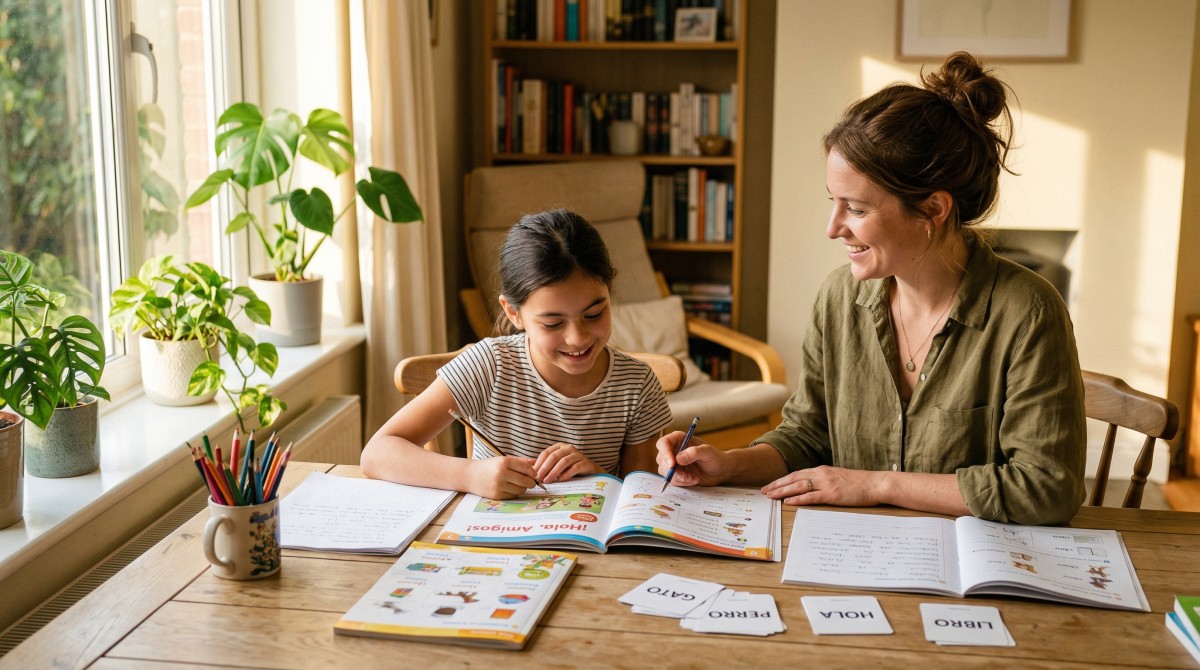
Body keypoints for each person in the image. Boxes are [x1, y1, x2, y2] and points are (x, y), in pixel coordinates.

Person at [656, 52, 1086, 526]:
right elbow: (807, 434)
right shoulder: (839, 298)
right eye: (833, 203)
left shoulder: (1027, 312)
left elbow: (1047, 487)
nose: (833, 227)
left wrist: (875, 484)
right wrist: (729, 463)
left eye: (856, 209)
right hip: (851, 552)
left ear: (933, 209)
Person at [362, 209, 672, 499]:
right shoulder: (489, 366)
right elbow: (377, 453)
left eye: (594, 314)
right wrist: (469, 474)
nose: (577, 338)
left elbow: (640, 500)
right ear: (514, 314)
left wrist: (598, 476)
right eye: (552, 323)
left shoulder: (636, 384)